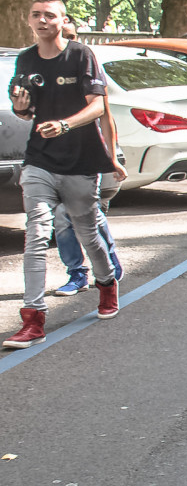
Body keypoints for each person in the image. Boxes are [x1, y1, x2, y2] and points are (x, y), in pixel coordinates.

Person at [5, 0, 126, 350]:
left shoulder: (81, 55)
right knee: (37, 234)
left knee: (88, 232)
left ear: (62, 21)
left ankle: (106, 285)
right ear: (29, 20)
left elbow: (98, 107)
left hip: (80, 161)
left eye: (50, 15)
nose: (42, 21)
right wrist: (21, 108)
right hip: (40, 159)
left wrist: (65, 126)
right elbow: (26, 112)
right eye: (36, 15)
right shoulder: (26, 59)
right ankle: (33, 318)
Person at [51, 18, 124, 295]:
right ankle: (77, 273)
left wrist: (112, 156)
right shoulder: (42, 67)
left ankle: (108, 262)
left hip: (85, 154)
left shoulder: (87, 66)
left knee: (82, 214)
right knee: (61, 215)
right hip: (52, 157)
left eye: (71, 36)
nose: (67, 42)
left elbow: (106, 116)